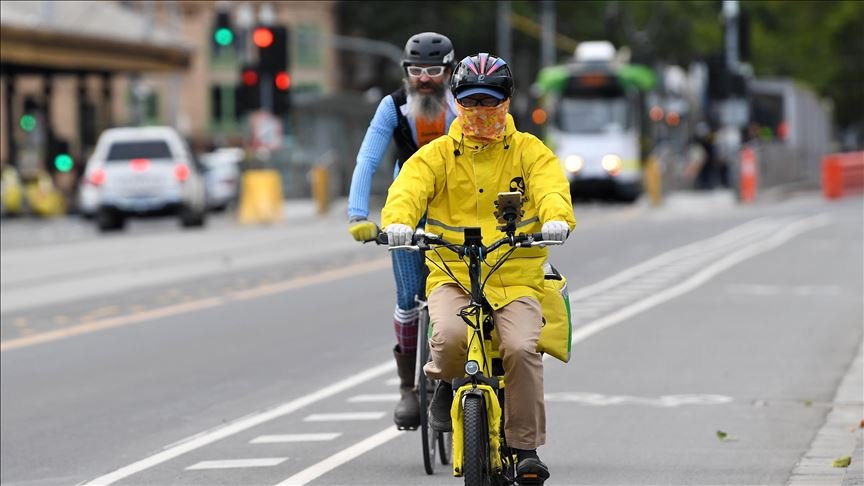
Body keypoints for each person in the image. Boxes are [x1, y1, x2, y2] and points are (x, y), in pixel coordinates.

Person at [381, 52, 576, 483]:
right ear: (457, 103)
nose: (480, 112)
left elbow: (550, 187)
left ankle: (526, 447)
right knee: (448, 336)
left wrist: (557, 216)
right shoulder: (436, 155)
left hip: (514, 278)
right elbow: (408, 189)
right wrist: (397, 223)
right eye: (471, 102)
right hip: (452, 275)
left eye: (490, 102)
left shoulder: (530, 152)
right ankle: (445, 385)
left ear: (507, 103)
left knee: (522, 348)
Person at [346, 32, 458, 430]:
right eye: (416, 70)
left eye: (433, 70)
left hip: (456, 211)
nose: (424, 78)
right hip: (406, 212)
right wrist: (358, 214)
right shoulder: (392, 108)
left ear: (449, 70)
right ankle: (408, 388)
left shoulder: (461, 106)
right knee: (409, 300)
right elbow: (367, 159)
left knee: (470, 295)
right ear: (405, 72)